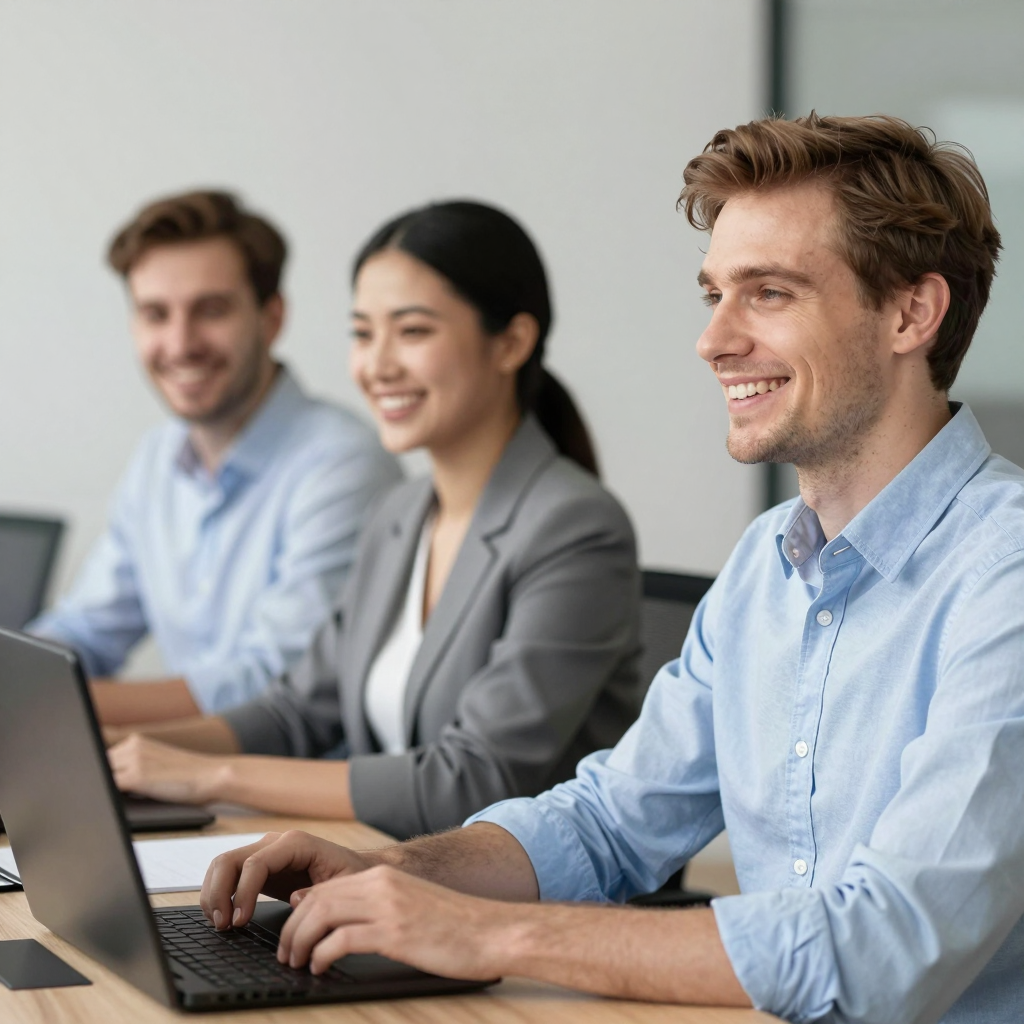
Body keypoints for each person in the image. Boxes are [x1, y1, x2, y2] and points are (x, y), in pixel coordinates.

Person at [199, 115, 1024, 1024]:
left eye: (770, 294)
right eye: (714, 293)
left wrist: (484, 933)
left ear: (913, 312)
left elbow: (885, 948)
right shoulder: (767, 566)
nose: (713, 341)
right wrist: (394, 871)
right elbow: (606, 823)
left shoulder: (1004, 576)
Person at [107, 200, 643, 840]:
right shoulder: (402, 515)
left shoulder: (574, 526)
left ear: (512, 342)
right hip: (390, 876)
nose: (377, 365)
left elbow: (472, 778)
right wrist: (115, 751)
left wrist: (209, 776)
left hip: (525, 910)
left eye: (412, 332)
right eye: (363, 334)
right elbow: (295, 712)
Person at [30, 190, 402, 719]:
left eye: (211, 311)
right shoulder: (158, 458)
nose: (180, 343)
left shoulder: (344, 465)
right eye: (155, 314)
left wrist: (46, 700)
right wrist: (18, 677)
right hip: (187, 777)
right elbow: (85, 630)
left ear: (271, 318)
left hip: (296, 790)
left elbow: (272, 682)